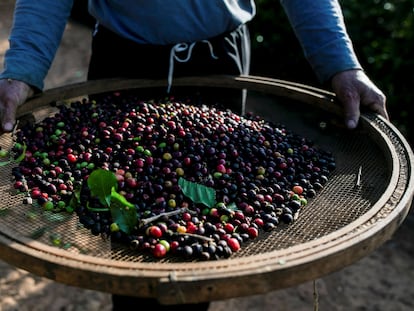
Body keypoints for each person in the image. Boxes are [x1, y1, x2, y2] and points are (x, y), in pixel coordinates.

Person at [0, 0, 388, 310]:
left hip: (219, 62)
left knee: (210, 219)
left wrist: (340, 64)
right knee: (127, 228)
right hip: (123, 64)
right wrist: (21, 71)